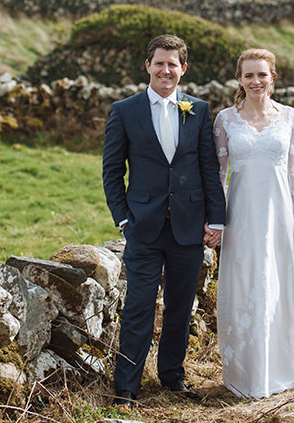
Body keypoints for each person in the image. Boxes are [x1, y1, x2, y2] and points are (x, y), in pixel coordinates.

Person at [213, 48, 294, 399]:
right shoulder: (225, 120)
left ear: (273, 77)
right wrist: (215, 221)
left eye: (262, 74)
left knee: (280, 286)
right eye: (248, 75)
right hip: (241, 217)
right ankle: (251, 370)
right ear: (239, 79)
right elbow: (217, 176)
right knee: (247, 284)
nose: (255, 81)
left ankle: (285, 365)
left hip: (281, 215)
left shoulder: (288, 117)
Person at [102, 34, 227, 407]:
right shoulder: (124, 110)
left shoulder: (199, 109)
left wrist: (216, 220)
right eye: (160, 63)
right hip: (142, 226)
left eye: (173, 64)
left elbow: (209, 167)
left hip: (189, 227)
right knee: (139, 305)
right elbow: (112, 170)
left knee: (180, 306)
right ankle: (126, 386)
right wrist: (123, 219)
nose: (166, 70)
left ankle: (173, 376)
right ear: (148, 67)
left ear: (183, 69)